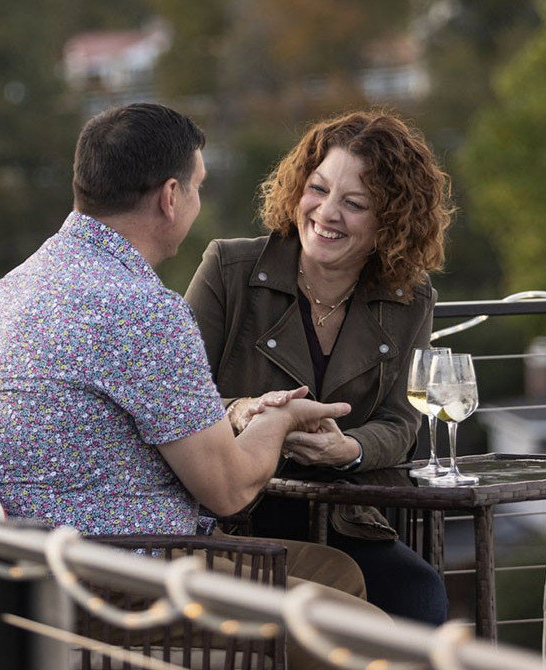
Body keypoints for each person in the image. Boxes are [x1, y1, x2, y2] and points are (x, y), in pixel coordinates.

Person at [0, 102, 388, 669]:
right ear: (170, 197)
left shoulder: (20, 283)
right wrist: (278, 421)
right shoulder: (139, 309)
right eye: (198, 187)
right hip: (114, 580)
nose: (198, 202)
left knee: (340, 572)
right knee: (373, 639)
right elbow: (229, 490)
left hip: (21, 571)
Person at [185, 109, 454, 625]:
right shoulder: (228, 268)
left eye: (353, 203)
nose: (326, 213)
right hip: (234, 508)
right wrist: (244, 411)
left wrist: (348, 449)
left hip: (342, 514)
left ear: (390, 222)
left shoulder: (410, 300)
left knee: (418, 596)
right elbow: (172, 399)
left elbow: (402, 422)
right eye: (318, 189)